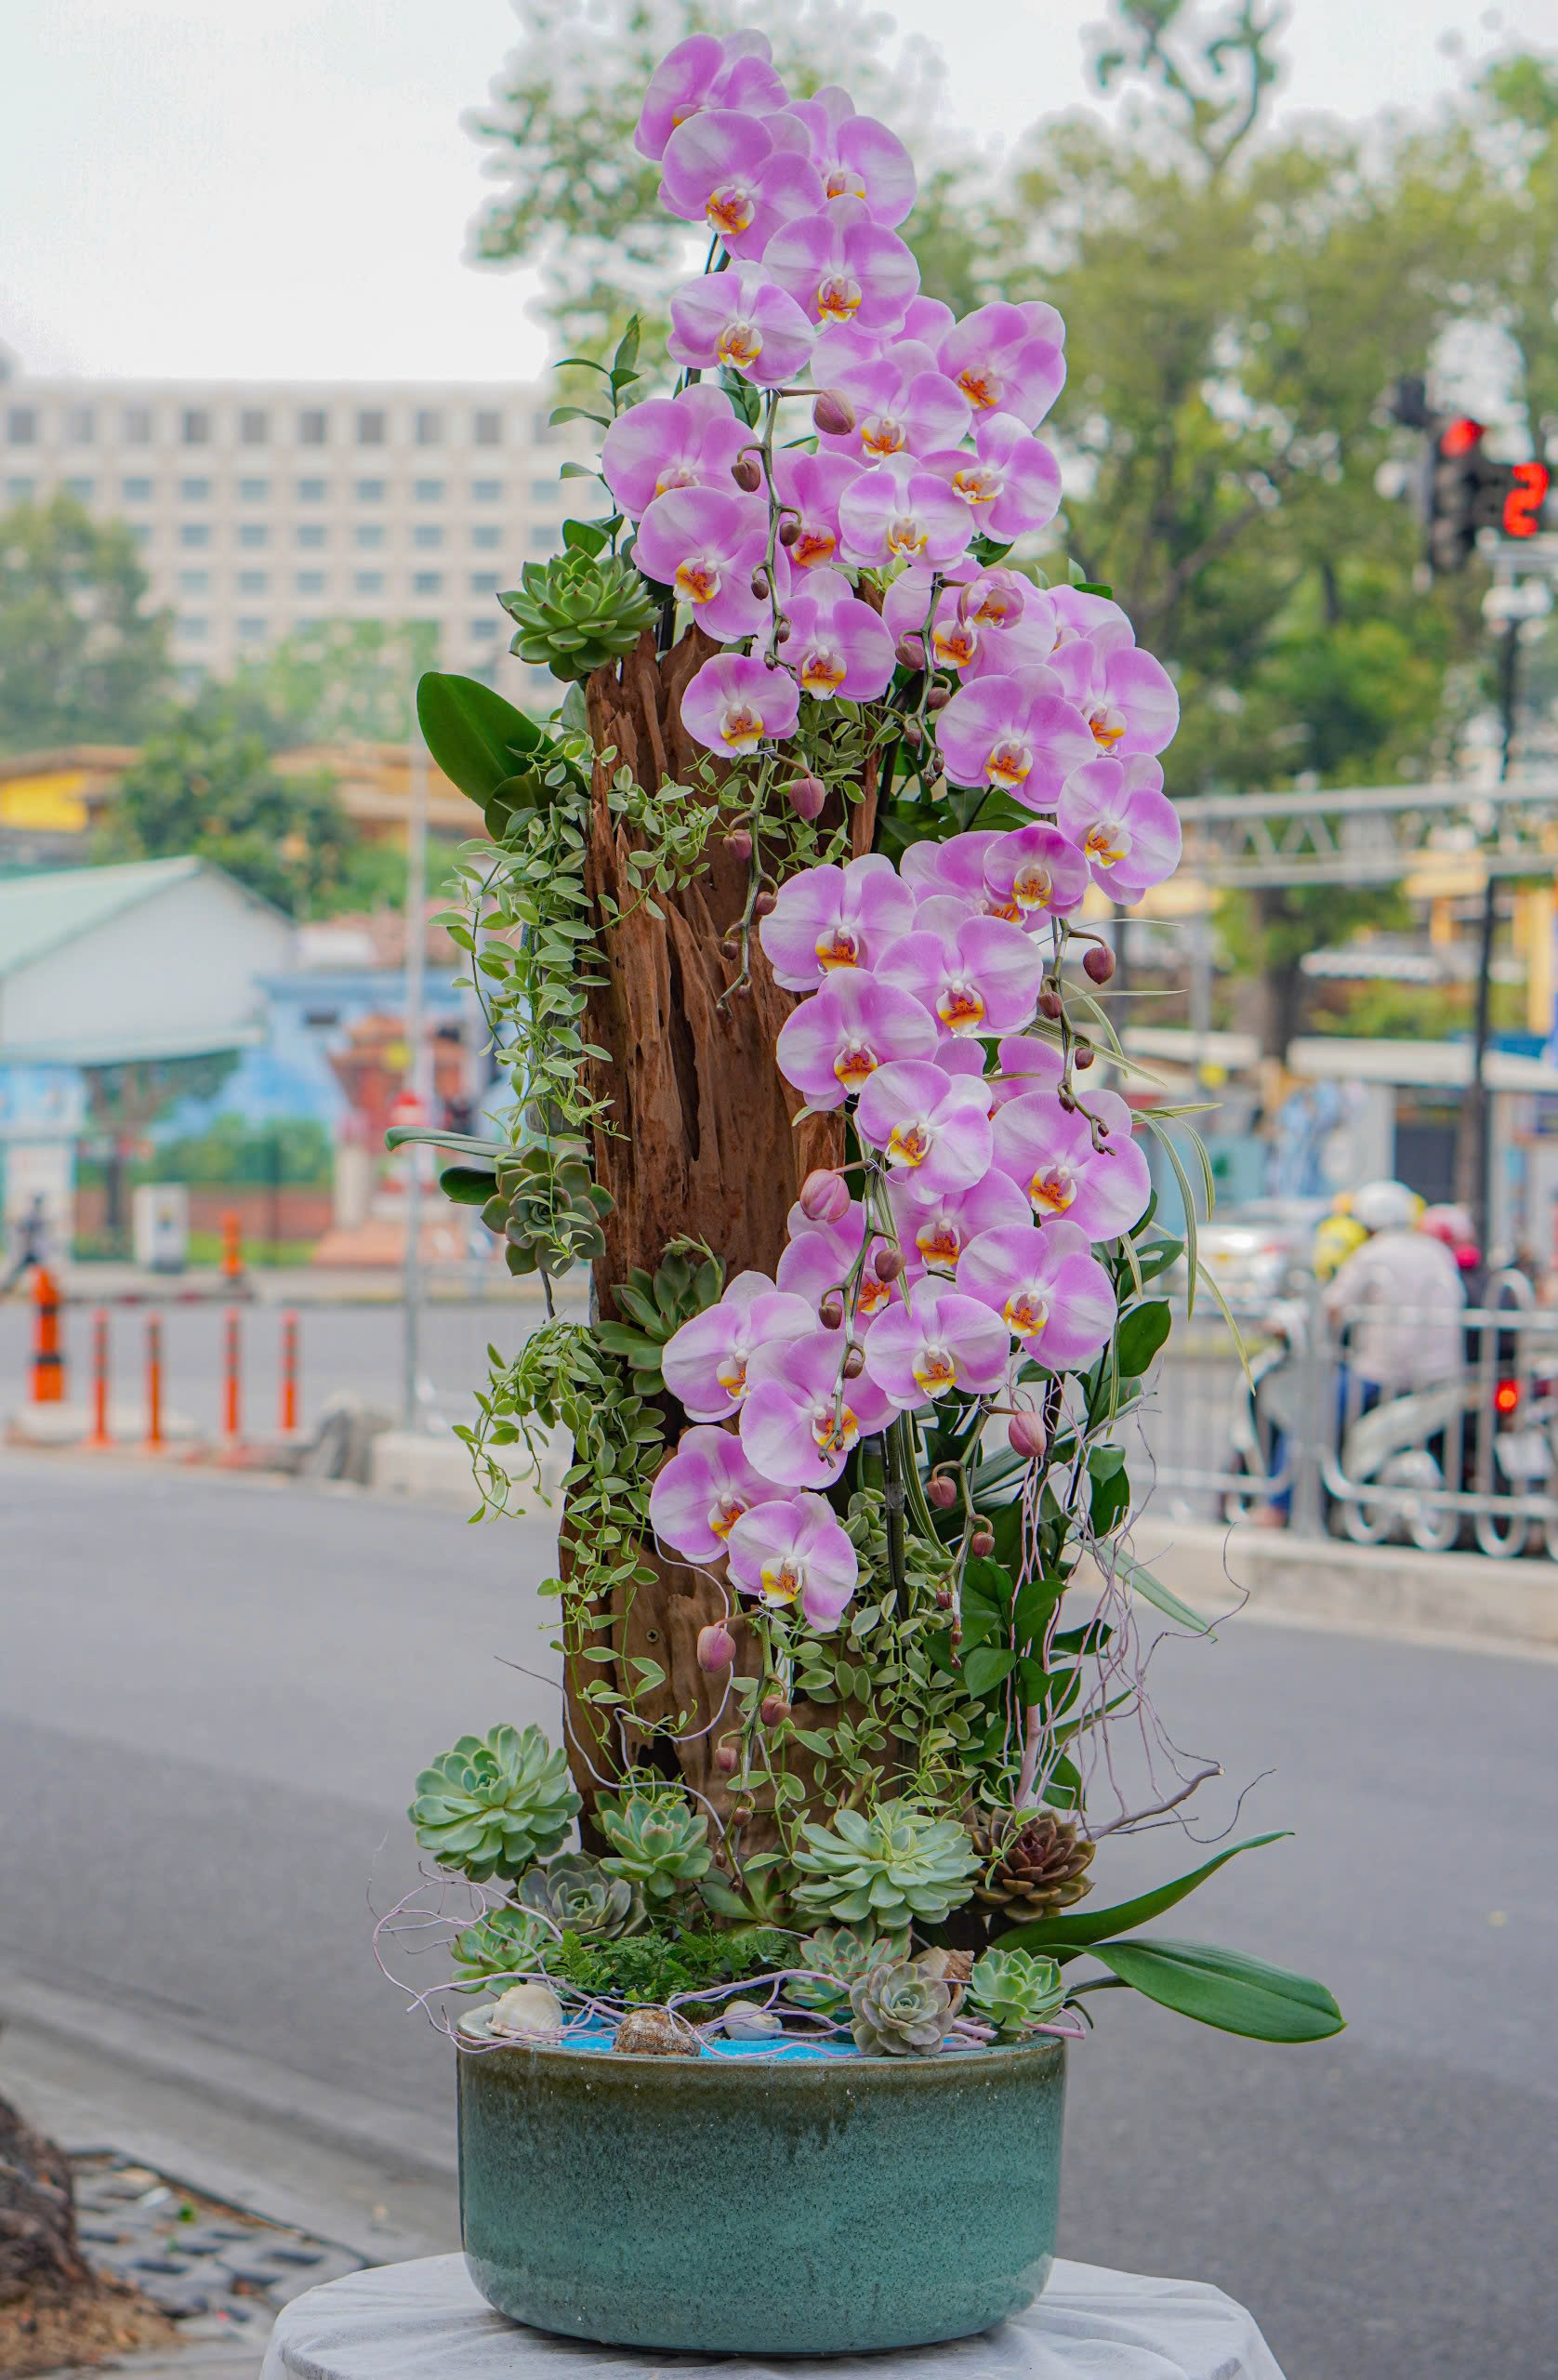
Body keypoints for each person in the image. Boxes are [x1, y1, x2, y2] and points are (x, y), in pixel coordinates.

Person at [1323, 1178, 1465, 1408]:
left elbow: (1333, 1303)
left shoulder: (1371, 1253)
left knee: (1321, 1414)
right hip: (1441, 1374)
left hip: (1384, 1374)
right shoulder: (1437, 1251)